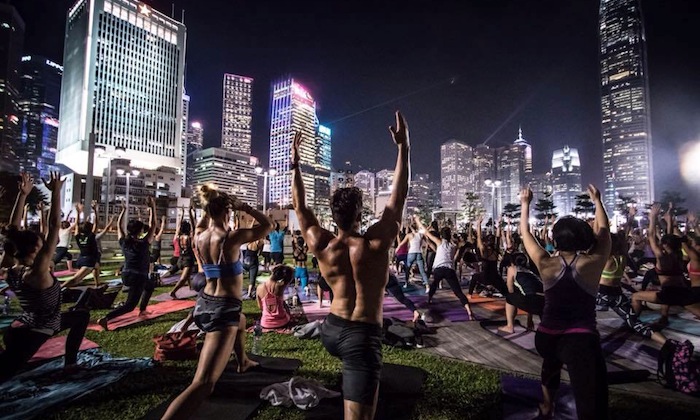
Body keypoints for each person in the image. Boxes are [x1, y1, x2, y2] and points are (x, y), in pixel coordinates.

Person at [293, 111, 410, 420]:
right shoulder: (374, 244)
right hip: (361, 336)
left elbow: (301, 207)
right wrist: (403, 148)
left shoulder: (322, 244)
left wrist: (295, 166)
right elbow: (397, 201)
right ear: (361, 213)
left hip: (332, 330)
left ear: (334, 216)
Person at [162, 185, 273, 419]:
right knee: (203, 383)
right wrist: (245, 207)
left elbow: (205, 217)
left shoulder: (199, 234)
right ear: (228, 212)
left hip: (204, 302)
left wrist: (212, 204)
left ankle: (242, 361)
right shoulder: (232, 238)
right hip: (223, 310)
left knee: (241, 321)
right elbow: (267, 225)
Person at [520, 185, 610, 420]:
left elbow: (525, 234)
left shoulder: (544, 262)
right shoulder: (593, 262)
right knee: (591, 396)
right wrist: (597, 201)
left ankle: (547, 407)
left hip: (546, 337)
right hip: (580, 340)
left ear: (555, 239)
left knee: (551, 364)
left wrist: (525, 204)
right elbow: (604, 231)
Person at [0, 172, 89, 382]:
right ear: (33, 250)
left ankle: (70, 364)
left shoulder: (9, 266)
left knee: (81, 316)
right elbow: (54, 226)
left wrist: (22, 196)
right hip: (35, 332)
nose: (45, 249)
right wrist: (56, 192)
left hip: (23, 326)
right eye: (41, 247)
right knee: (5, 374)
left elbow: (13, 231)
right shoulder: (37, 271)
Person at [97, 198, 157, 330]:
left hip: (126, 274)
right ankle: (106, 318)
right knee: (130, 306)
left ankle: (143, 310)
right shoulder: (143, 244)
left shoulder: (124, 242)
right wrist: (152, 207)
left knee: (150, 285)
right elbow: (153, 225)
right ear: (140, 231)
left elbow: (119, 226)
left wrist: (123, 211)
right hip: (138, 276)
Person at [631, 204, 690, 325]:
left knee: (635, 297)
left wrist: (652, 218)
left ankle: (633, 322)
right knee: (665, 292)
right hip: (683, 291)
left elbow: (651, 236)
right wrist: (669, 221)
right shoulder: (678, 254)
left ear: (665, 245)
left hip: (669, 294)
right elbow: (670, 237)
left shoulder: (662, 257)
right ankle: (664, 317)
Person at [417, 216, 473, 318]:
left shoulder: (439, 242)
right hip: (449, 270)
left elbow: (426, 232)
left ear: (441, 236)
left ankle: (429, 299)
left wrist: (418, 221)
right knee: (458, 292)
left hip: (439, 269)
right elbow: (453, 257)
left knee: (433, 285)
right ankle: (469, 310)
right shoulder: (453, 245)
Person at [498, 252, 544, 334]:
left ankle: (510, 326)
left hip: (532, 300)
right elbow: (532, 292)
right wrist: (529, 319)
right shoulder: (531, 272)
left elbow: (510, 289)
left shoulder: (512, 269)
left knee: (509, 297)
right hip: (544, 301)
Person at [63, 203, 103, 288]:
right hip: (88, 261)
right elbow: (96, 223)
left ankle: (97, 284)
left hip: (81, 259)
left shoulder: (78, 236)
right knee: (75, 280)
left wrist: (78, 212)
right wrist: (95, 210)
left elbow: (77, 225)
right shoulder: (91, 237)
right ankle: (60, 288)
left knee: (96, 266)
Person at [169, 205, 197, 299]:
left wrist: (183, 214)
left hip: (180, 259)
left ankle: (190, 286)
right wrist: (190, 213)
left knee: (187, 274)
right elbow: (194, 226)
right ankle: (173, 292)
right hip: (187, 259)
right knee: (183, 278)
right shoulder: (190, 238)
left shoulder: (178, 237)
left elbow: (178, 227)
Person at [257, 264, 294, 329]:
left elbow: (260, 307)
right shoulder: (280, 287)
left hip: (265, 323)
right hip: (282, 322)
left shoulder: (259, 288)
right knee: (285, 306)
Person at [397, 221, 429, 289]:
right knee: (422, 270)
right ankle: (427, 285)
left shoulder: (409, 235)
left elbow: (401, 243)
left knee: (408, 269)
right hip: (419, 253)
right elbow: (427, 241)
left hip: (411, 253)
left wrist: (397, 249)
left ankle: (406, 283)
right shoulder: (420, 234)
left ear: (411, 228)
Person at [52, 207, 76, 272]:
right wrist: (78, 214)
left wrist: (68, 214)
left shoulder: (60, 230)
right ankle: (48, 271)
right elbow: (75, 224)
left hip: (58, 247)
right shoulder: (67, 230)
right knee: (54, 262)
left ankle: (70, 269)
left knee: (69, 256)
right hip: (63, 249)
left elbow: (65, 221)